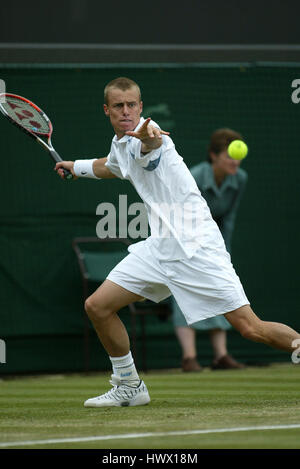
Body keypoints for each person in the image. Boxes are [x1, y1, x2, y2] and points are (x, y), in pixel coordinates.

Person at [56, 77, 300, 408]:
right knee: (97, 306)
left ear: (141, 108)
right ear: (107, 110)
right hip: (160, 247)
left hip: (198, 247)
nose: (126, 111)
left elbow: (148, 145)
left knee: (250, 328)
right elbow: (110, 166)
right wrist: (75, 167)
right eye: (118, 106)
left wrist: (149, 136)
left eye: (132, 105)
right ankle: (129, 385)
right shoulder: (120, 146)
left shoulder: (150, 137)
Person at [173, 128, 248, 372]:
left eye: (238, 155)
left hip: (211, 241)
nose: (235, 161)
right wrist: (189, 249)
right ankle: (189, 358)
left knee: (220, 291)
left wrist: (222, 254)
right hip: (181, 237)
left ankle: (221, 356)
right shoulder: (193, 176)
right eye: (229, 155)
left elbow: (230, 218)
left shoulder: (239, 179)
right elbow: (178, 216)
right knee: (183, 292)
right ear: (214, 156)